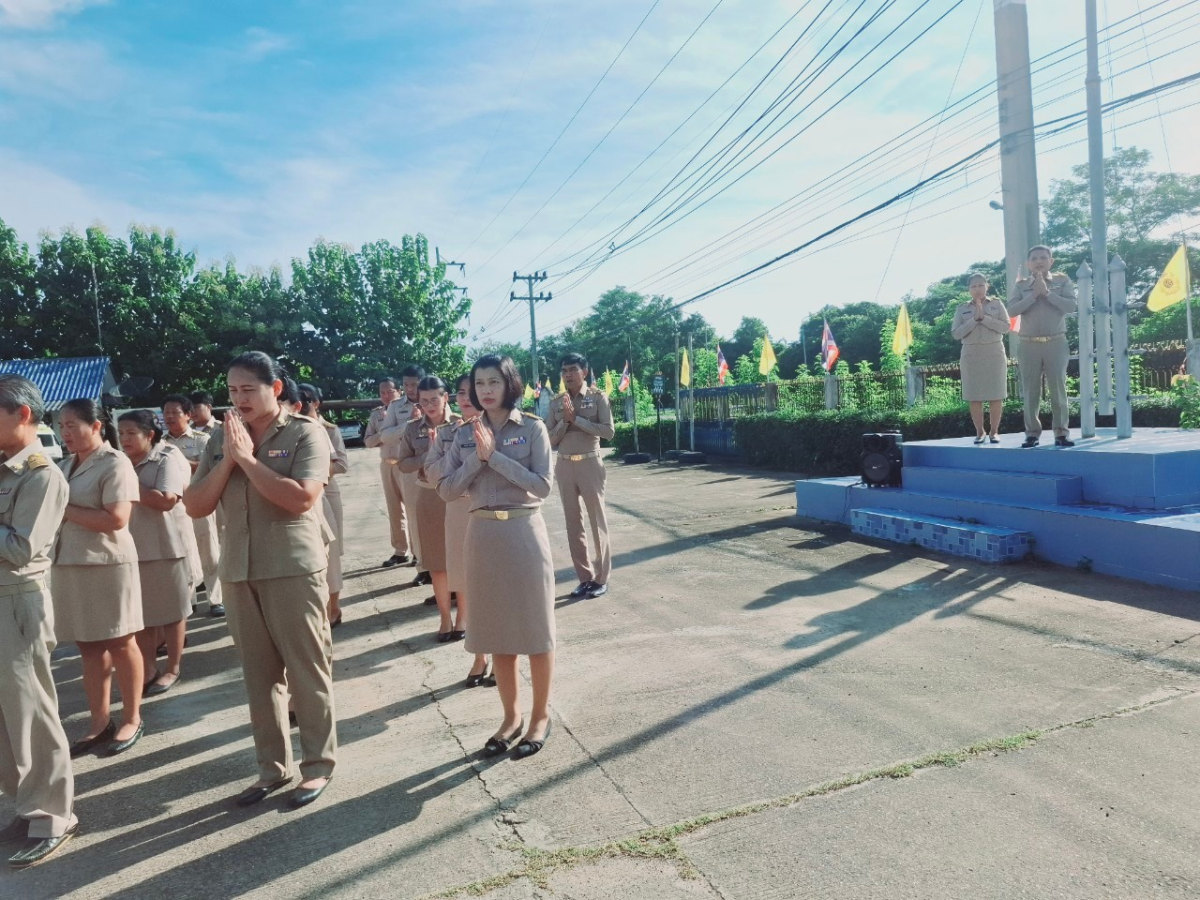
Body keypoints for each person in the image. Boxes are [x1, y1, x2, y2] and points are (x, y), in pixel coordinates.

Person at [184, 352, 337, 809]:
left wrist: (248, 461)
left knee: (307, 671)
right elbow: (195, 504)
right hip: (238, 568)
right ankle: (272, 768)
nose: (239, 398)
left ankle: (318, 766)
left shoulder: (306, 433)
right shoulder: (220, 437)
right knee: (258, 676)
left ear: (274, 388)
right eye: (231, 391)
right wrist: (228, 460)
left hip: (291, 566)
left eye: (248, 389)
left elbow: (301, 499)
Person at [439, 355, 555, 759]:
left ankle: (540, 716)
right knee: (495, 632)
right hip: (482, 534)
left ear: (509, 384)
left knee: (535, 631)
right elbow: (447, 489)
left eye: (493, 382)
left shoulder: (533, 428)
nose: (485, 390)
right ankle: (511, 717)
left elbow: (542, 486)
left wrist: (496, 459)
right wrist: (477, 457)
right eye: (479, 383)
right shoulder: (465, 434)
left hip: (523, 532)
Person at [0, 375, 79, 869]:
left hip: (17, 600)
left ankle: (53, 814)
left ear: (22, 414)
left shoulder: (40, 475)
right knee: (5, 717)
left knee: (32, 711)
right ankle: (25, 806)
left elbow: (20, 547)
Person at [52, 398, 145, 758]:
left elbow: (116, 519)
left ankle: (132, 717)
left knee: (121, 642)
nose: (66, 432)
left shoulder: (115, 463)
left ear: (96, 426)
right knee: (88, 646)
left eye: (73, 425)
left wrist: (63, 509)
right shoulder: (62, 465)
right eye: (62, 425)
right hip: (70, 564)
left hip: (107, 564)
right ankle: (99, 721)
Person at [118, 411, 195, 697]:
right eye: (121, 433)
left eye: (131, 433)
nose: (124, 439)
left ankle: (173, 668)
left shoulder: (166, 458)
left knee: (173, 612)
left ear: (149, 434)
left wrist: (129, 485)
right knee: (142, 615)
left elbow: (166, 500)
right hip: (130, 547)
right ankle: (149, 668)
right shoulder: (120, 462)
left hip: (165, 544)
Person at [427, 375, 491, 686]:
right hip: (457, 508)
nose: (466, 398)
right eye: (462, 393)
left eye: (472, 392)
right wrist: (462, 465)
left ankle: (496, 654)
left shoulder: (501, 427)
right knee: (466, 583)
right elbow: (431, 470)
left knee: (494, 585)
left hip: (491, 509)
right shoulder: (447, 433)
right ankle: (481, 656)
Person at [546, 353, 615, 599]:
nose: (568, 375)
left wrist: (577, 420)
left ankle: (602, 578)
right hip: (564, 466)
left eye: (573, 370)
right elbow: (549, 439)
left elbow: (608, 432)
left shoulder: (597, 398)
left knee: (597, 522)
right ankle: (584, 578)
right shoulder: (556, 403)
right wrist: (565, 422)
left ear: (584, 372)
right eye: (564, 371)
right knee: (573, 524)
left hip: (589, 463)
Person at [398, 377, 461, 641]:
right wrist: (430, 454)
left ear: (446, 397)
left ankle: (463, 620)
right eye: (423, 401)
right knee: (436, 563)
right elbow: (403, 463)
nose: (429, 406)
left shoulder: (461, 424)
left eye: (434, 399)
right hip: (428, 496)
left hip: (457, 496)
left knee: (461, 560)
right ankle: (445, 619)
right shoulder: (413, 428)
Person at [1008, 245, 1077, 448]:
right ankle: (1032, 434)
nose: (1039, 261)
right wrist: (1033, 295)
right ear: (1029, 263)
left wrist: (1047, 293)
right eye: (1035, 258)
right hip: (1028, 344)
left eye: (1043, 257)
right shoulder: (1021, 286)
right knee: (1030, 391)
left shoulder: (1061, 281)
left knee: (1058, 389)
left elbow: (1071, 306)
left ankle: (1061, 433)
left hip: (1055, 342)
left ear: (1051, 261)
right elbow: (1011, 310)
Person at [163, 394, 224, 617]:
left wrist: (179, 461)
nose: (169, 417)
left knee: (209, 550)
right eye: (166, 413)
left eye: (175, 412)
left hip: (200, 500)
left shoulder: (201, 439)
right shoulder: (161, 442)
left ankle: (215, 599)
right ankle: (189, 601)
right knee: (183, 553)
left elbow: (207, 467)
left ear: (188, 415)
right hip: (175, 507)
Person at [298, 384, 348, 627]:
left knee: (333, 558)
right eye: (300, 399)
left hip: (328, 493)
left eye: (308, 399)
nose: (304, 403)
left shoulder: (329, 429)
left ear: (317, 403)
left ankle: (334, 607)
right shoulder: (292, 429)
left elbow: (341, 464)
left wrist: (314, 469)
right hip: (302, 499)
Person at [379, 365, 430, 588]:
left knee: (437, 518)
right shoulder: (396, 407)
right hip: (410, 466)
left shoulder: (433, 398)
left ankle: (440, 564)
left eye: (414, 384)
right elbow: (385, 435)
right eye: (406, 384)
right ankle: (423, 566)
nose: (410, 389)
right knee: (414, 516)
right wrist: (408, 425)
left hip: (436, 465)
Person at [952, 274, 1011, 445]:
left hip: (993, 351)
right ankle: (979, 431)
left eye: (980, 285)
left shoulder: (997, 304)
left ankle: (994, 431)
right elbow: (956, 333)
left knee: (996, 394)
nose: (977, 289)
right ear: (969, 289)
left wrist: (985, 318)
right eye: (973, 286)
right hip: (971, 353)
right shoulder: (962, 308)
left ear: (987, 286)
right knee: (974, 395)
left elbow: (1006, 327)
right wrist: (973, 319)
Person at [363, 377, 412, 569]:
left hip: (406, 464)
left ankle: (418, 552)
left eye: (389, 392)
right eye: (382, 392)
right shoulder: (377, 415)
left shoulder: (409, 409)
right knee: (394, 510)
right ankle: (401, 551)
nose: (385, 396)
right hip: (387, 464)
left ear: (399, 391)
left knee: (413, 510)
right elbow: (368, 441)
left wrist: (391, 433)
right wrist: (384, 436)